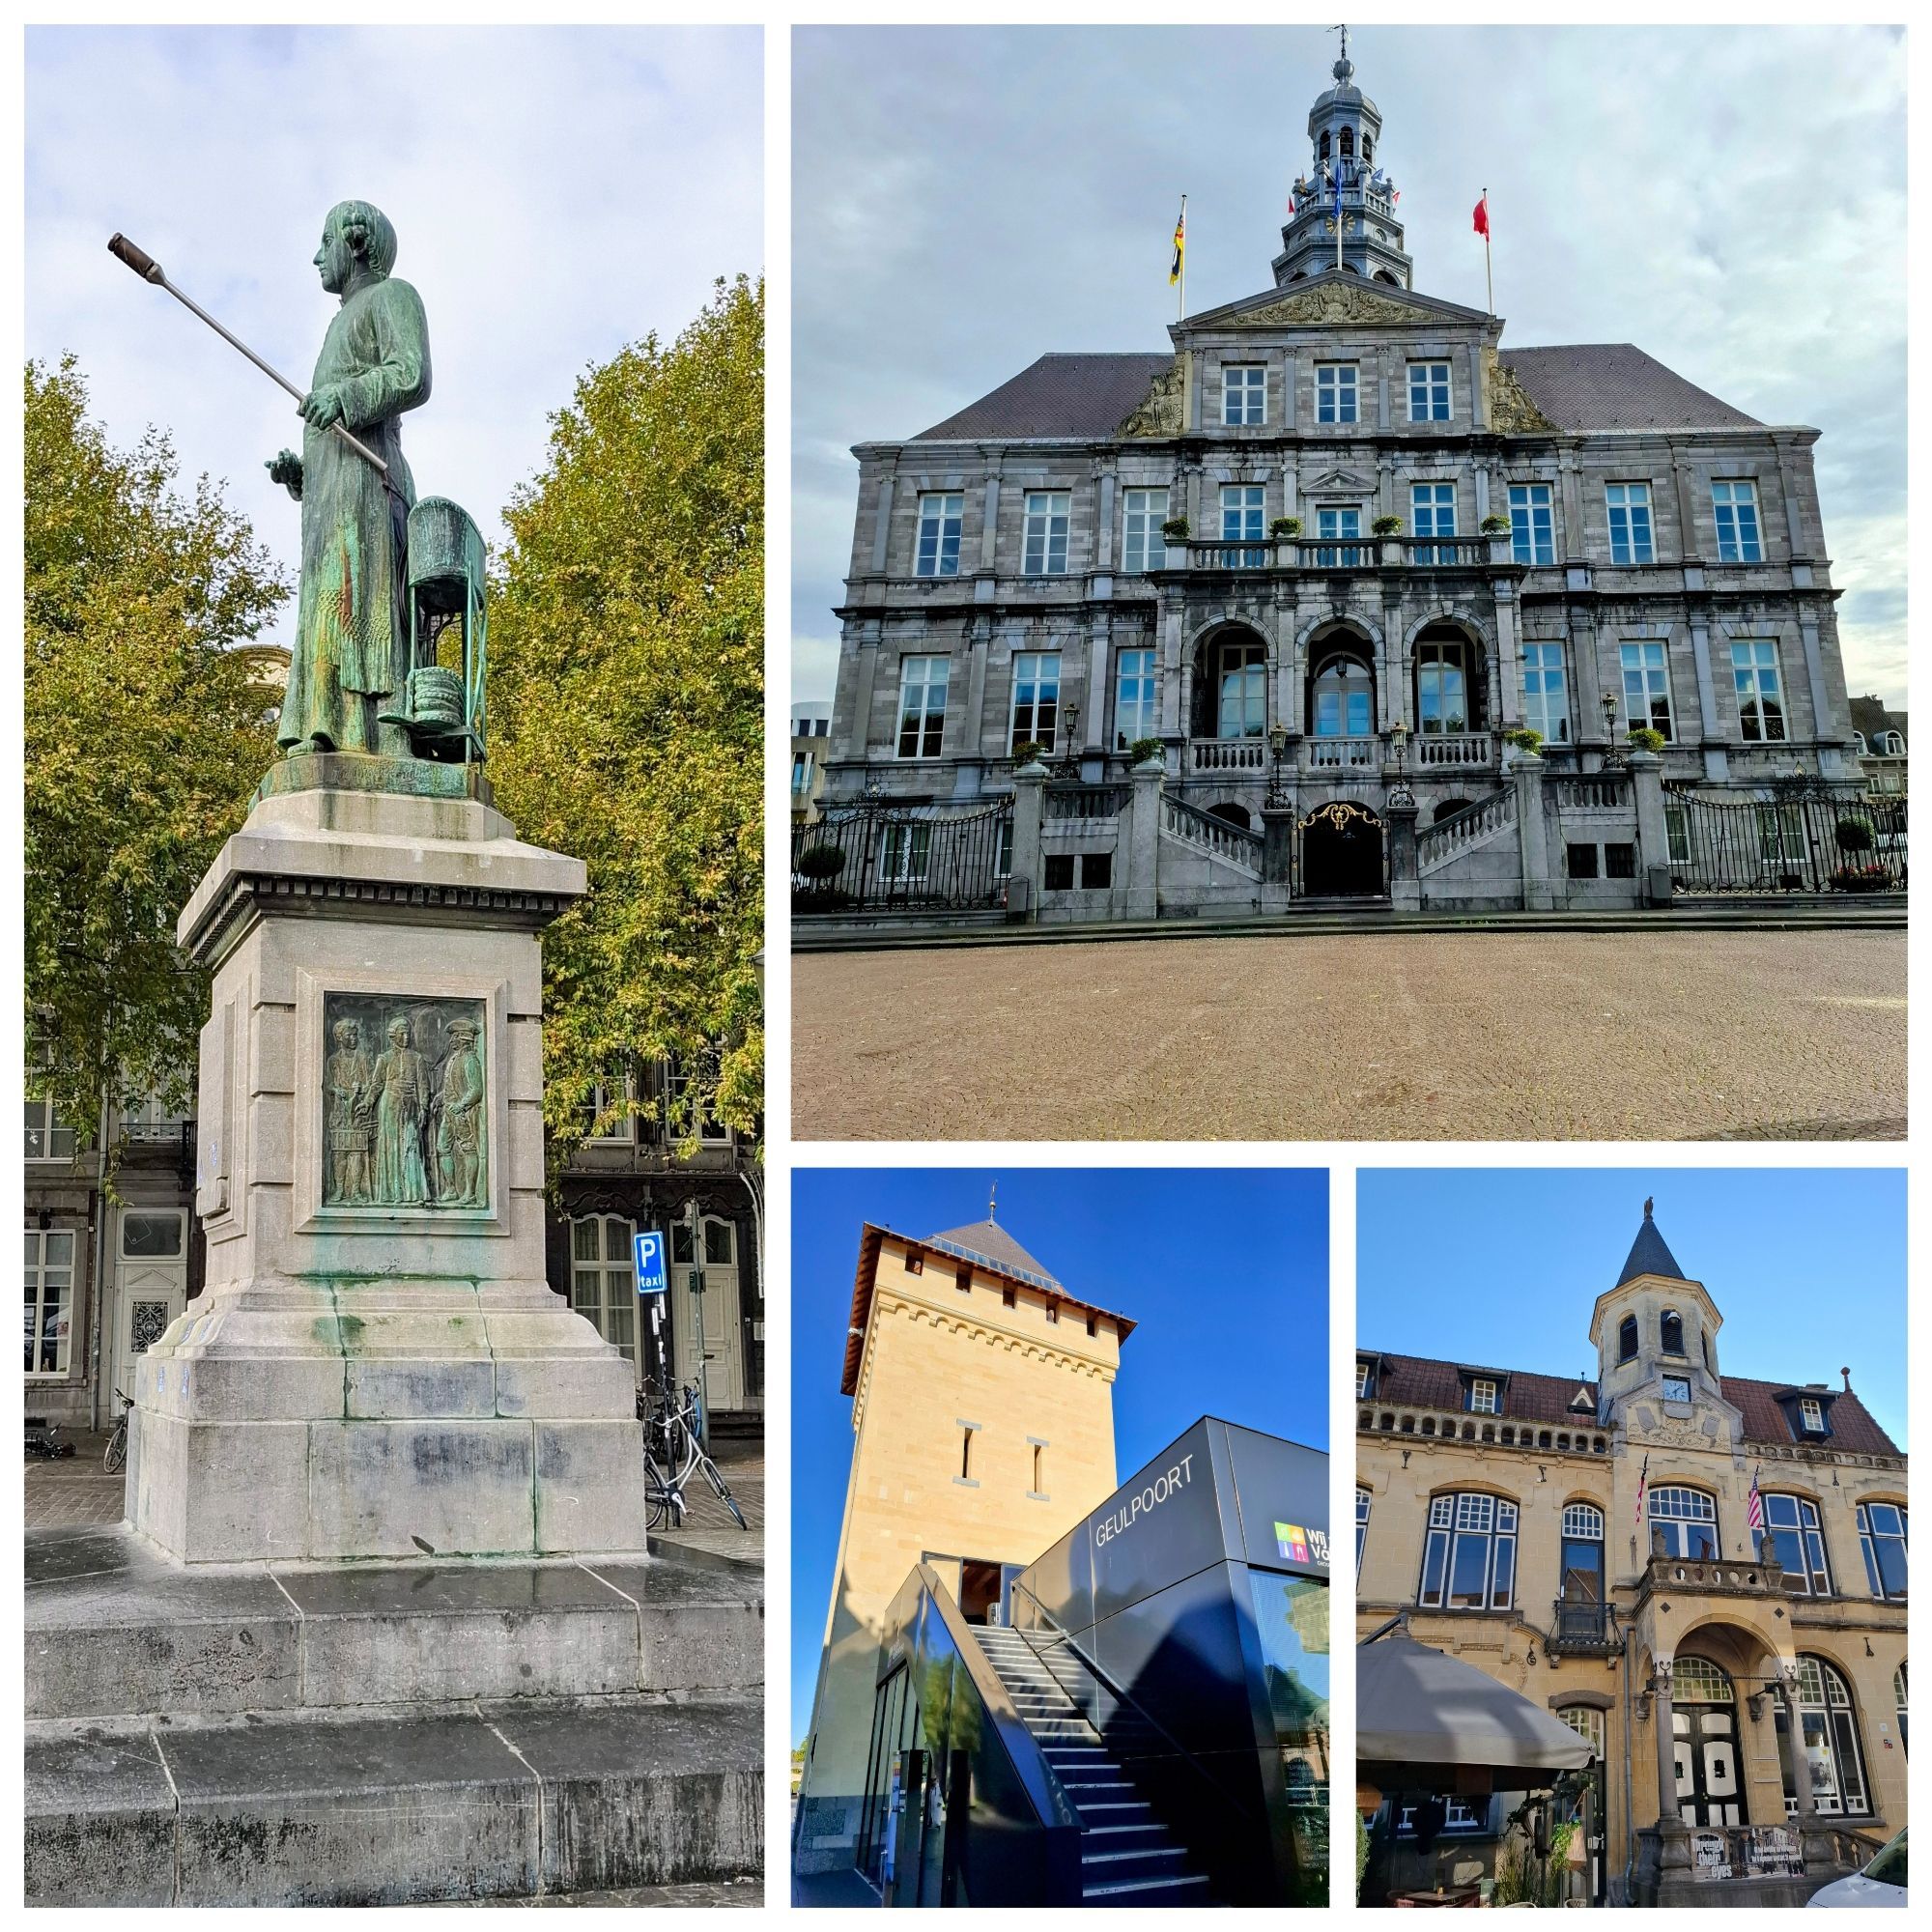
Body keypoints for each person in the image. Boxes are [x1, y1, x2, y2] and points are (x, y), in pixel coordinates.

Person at [267, 200, 431, 757]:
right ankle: (328, 726)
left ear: (355, 243)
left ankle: (381, 732)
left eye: (325, 241)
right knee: (327, 608)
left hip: (370, 486)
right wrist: (305, 475)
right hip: (332, 499)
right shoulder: (341, 321)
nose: (316, 257)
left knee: (361, 607)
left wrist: (345, 396)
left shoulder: (394, 296)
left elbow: (412, 374)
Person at [370, 1013, 432, 1206]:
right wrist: (367, 1102)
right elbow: (376, 1084)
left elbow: (423, 1085)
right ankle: (391, 1193)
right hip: (389, 1106)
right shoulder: (385, 1058)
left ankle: (413, 1193)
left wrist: (423, 1108)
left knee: (411, 1146)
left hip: (410, 1107)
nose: (406, 1037)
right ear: (393, 1036)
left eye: (408, 1033)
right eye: (402, 1033)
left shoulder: (417, 1058)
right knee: (391, 1147)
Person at [435, 1016, 487, 1208]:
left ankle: (470, 1193)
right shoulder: (454, 1059)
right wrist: (441, 1097)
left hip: (462, 1114)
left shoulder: (470, 1060)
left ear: (463, 1038)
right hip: (449, 1112)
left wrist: (461, 1105)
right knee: (443, 1148)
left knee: (468, 1149)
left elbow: (476, 1090)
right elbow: (451, 1085)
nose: (451, 1041)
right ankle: (450, 1189)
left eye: (454, 1037)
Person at [323, 1014, 374, 1204]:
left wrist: (362, 1088)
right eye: (350, 1036)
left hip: (357, 1111)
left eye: (355, 1035)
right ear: (340, 1037)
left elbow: (372, 1083)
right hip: (339, 1112)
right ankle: (338, 1190)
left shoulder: (363, 1059)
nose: (353, 1039)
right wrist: (336, 1090)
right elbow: (327, 1085)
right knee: (339, 1152)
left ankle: (356, 1191)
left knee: (357, 1152)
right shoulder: (333, 1061)